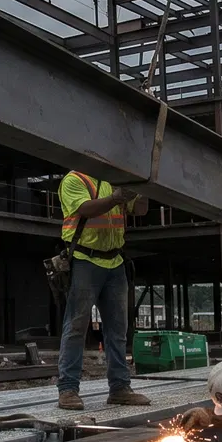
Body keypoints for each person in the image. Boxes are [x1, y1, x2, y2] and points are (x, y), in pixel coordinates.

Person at [54, 170, 152, 411]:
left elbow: (140, 210)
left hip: (115, 261)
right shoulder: (75, 179)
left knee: (117, 330)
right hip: (84, 259)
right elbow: (86, 209)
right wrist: (117, 197)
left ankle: (120, 388)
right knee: (76, 326)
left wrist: (146, 190)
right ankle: (68, 389)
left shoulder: (114, 180)